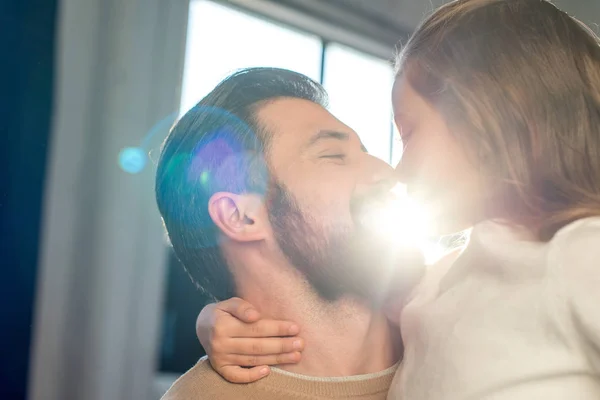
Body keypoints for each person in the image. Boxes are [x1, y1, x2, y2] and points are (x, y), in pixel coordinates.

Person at [196, 0, 600, 399]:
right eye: (334, 156)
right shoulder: (441, 282)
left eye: (409, 133)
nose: (394, 170)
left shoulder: (580, 253)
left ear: (489, 121)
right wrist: (216, 320)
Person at [155, 67, 427, 400]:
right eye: (333, 155)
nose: (387, 172)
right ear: (240, 217)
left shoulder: (458, 329)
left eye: (367, 152)